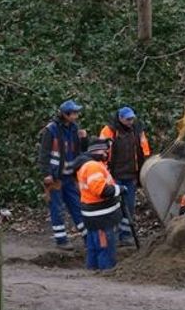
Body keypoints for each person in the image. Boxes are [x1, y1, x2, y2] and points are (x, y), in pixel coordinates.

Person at [100, 106, 152, 246]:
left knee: (129, 206)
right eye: (128, 119)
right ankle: (112, 236)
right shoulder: (109, 130)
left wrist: (143, 169)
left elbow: (144, 149)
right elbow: (102, 152)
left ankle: (126, 234)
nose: (131, 121)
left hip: (131, 174)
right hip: (114, 175)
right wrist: (105, 174)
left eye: (132, 118)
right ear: (120, 118)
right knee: (113, 206)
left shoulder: (137, 129)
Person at [38, 99, 87, 248]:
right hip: (55, 177)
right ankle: (61, 240)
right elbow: (44, 154)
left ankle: (87, 237)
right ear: (66, 114)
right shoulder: (51, 130)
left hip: (69, 176)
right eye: (74, 113)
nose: (77, 115)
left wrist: (84, 139)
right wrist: (46, 173)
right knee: (57, 209)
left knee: (77, 206)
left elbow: (80, 151)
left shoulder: (74, 129)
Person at [73, 138, 123, 271]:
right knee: (104, 246)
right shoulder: (93, 166)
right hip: (101, 216)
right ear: (98, 151)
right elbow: (101, 191)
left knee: (94, 246)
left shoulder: (88, 165)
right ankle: (105, 272)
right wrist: (119, 189)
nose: (107, 154)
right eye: (106, 151)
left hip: (94, 214)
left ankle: (93, 270)